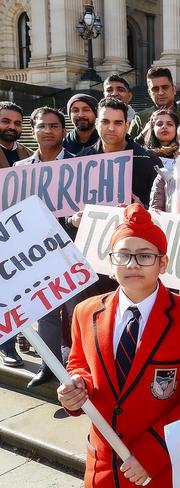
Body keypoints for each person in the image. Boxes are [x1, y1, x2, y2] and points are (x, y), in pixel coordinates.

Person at [57, 203, 180, 487]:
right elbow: (80, 363)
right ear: (111, 261)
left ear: (162, 263)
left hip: (161, 468)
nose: (132, 264)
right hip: (103, 466)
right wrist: (79, 386)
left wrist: (153, 451)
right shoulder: (85, 311)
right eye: (124, 255)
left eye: (144, 256)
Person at [14, 107, 74, 386]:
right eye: (42, 126)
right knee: (45, 312)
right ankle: (49, 366)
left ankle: (77, 369)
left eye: (54, 126)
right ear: (34, 130)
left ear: (64, 131)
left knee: (76, 312)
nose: (48, 131)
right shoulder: (19, 171)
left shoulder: (81, 166)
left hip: (73, 250)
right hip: (38, 253)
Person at [77, 97, 161, 209]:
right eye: (105, 122)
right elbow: (69, 214)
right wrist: (73, 221)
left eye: (118, 123)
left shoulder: (149, 161)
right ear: (97, 123)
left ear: (127, 126)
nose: (111, 128)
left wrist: (143, 209)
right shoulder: (81, 160)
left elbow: (163, 211)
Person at [0, 101, 32, 367]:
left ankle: (23, 336)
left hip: (21, 231)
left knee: (21, 290)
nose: (12, 127)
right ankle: (6, 345)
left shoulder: (27, 153)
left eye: (17, 123)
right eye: (5, 121)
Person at [128, 67, 180, 144]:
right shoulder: (140, 118)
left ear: (174, 89)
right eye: (155, 89)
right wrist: (142, 135)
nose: (160, 92)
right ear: (149, 93)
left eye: (165, 87)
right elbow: (128, 148)